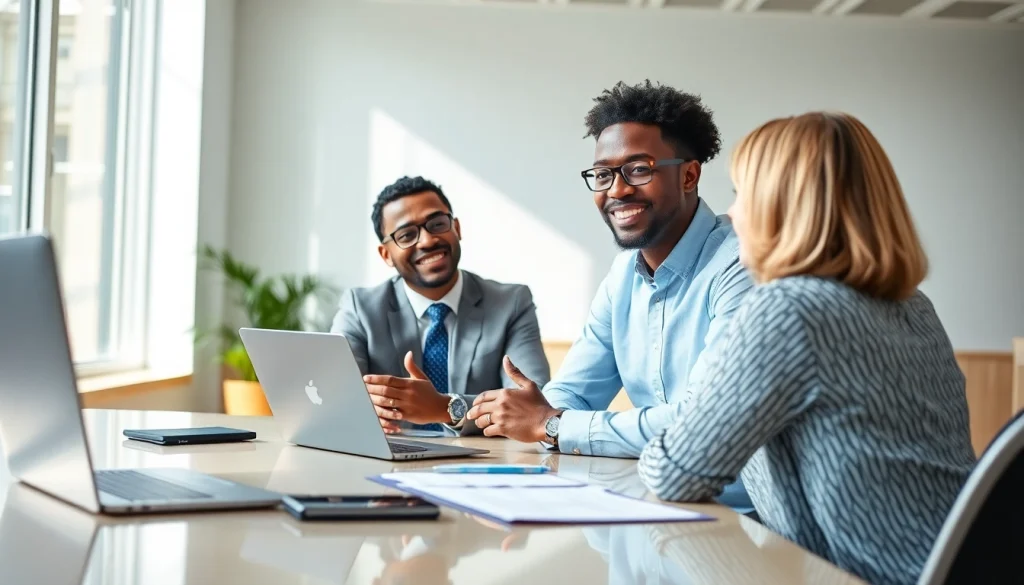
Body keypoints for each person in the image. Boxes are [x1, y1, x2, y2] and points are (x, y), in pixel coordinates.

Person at [637, 112, 976, 585]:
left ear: (782, 207)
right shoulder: (915, 306)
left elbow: (674, 473)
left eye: (742, 195)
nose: (731, 216)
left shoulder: (789, 309)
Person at [465, 80, 756, 512]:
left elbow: (698, 425)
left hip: (741, 520)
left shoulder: (740, 268)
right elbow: (572, 396)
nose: (617, 190)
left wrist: (552, 425)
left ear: (689, 174)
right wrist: (542, 414)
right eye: (603, 174)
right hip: (652, 504)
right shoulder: (623, 275)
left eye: (639, 169)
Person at [331, 176, 551, 435]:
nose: (426, 241)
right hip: (389, 458)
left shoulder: (511, 303)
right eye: (406, 235)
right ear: (386, 254)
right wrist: (360, 410)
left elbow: (531, 406)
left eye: (437, 224)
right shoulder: (360, 309)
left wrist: (446, 408)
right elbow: (338, 399)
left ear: (456, 228)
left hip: (481, 464)